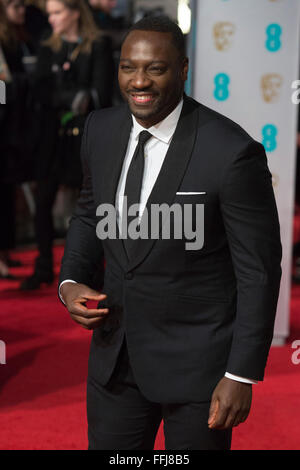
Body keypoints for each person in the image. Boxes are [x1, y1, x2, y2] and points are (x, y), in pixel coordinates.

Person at [58, 16, 282, 450]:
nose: (138, 81)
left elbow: (258, 271)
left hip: (199, 371)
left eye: (154, 69)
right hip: (114, 360)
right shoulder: (100, 130)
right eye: (128, 67)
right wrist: (70, 282)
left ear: (182, 69)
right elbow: (89, 214)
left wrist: (241, 373)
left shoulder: (231, 152)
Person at [20, 0, 114, 290]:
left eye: (57, 12)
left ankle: (95, 270)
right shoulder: (48, 47)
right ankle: (44, 265)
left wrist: (72, 96)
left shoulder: (98, 44)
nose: (52, 19)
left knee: (90, 205)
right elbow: (42, 92)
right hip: (52, 136)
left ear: (75, 13)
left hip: (85, 136)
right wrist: (73, 96)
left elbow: (101, 92)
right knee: (44, 200)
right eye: (49, 13)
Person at [0, 0, 37, 278]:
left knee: (7, 194)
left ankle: (5, 251)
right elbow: (1, 90)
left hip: (14, 127)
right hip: (4, 126)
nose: (22, 10)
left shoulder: (19, 39)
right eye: (15, 5)